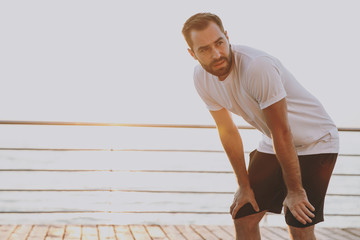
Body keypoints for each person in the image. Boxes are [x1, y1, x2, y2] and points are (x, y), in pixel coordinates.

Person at [182, 13, 339, 240]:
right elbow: (227, 131)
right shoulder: (201, 78)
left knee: (298, 222)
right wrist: (243, 186)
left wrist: (295, 191)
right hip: (273, 140)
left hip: (316, 140)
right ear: (192, 54)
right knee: (243, 214)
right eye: (204, 49)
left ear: (227, 37)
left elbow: (282, 131)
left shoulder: (257, 67)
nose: (216, 54)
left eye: (219, 43)